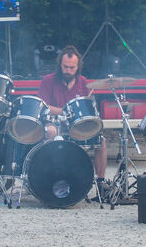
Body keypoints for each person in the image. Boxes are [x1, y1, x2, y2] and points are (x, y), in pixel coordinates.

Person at [37, 45, 108, 193]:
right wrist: (65, 111)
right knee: (50, 132)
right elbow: (43, 106)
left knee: (101, 140)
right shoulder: (48, 81)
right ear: (60, 65)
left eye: (72, 67)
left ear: (78, 67)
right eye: (65, 67)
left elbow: (89, 108)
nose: (68, 70)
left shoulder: (84, 83)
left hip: (77, 125)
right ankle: (50, 176)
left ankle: (101, 183)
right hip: (55, 123)